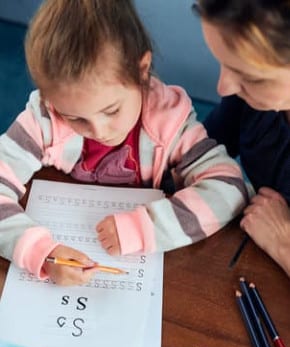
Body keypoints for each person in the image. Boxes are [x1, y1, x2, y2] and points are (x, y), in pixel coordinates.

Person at [0, 0, 247, 286]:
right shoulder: (45, 117)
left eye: (111, 111)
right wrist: (42, 254)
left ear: (142, 70)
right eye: (75, 118)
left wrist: (144, 229)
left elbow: (229, 188)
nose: (100, 131)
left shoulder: (170, 123)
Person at [194, 0, 290, 277]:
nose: (222, 87)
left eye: (251, 77)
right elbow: (205, 149)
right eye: (223, 63)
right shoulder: (248, 101)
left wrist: (283, 244)